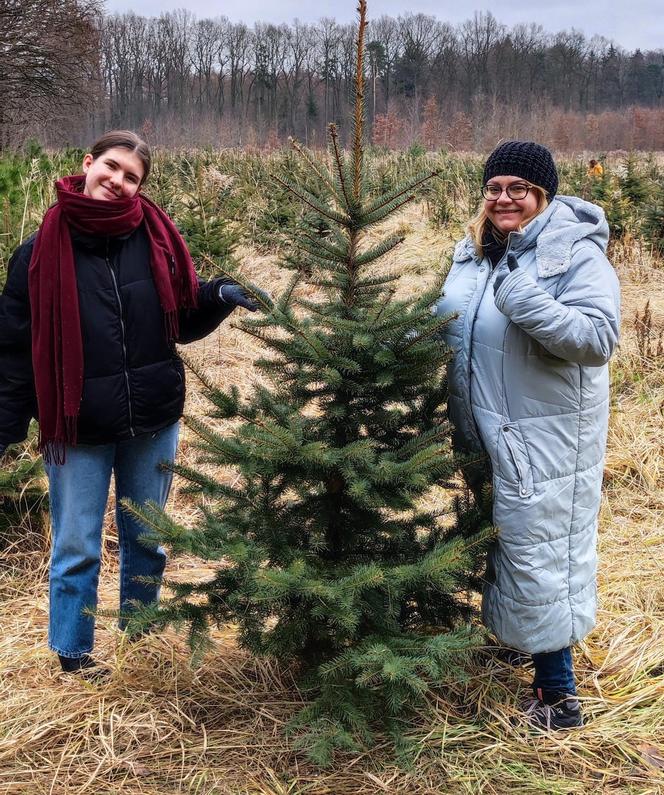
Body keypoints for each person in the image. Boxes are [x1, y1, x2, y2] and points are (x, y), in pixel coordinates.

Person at [0, 130, 262, 678]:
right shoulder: (36, 254)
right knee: (77, 544)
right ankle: (74, 653)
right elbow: (15, 351)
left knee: (148, 535)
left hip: (151, 416)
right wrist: (6, 423)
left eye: (131, 178)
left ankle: (138, 637)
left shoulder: (154, 240)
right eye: (112, 168)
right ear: (87, 162)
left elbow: (180, 321)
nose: (117, 182)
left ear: (140, 188)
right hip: (77, 425)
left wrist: (217, 297)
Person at [432, 140, 620, 729]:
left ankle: (558, 698)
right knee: (509, 543)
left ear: (543, 195)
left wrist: (523, 297)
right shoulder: (475, 253)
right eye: (494, 187)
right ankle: (519, 645)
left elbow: (596, 338)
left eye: (518, 188)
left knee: (542, 552)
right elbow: (450, 327)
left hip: (545, 440)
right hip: (486, 430)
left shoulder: (573, 256)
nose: (504, 198)